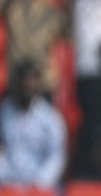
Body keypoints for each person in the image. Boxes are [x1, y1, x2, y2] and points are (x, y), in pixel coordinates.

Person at [0, 58, 65, 188]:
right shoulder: (3, 113)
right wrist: (6, 180)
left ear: (39, 83)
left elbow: (56, 155)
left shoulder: (50, 118)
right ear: (16, 82)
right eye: (24, 79)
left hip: (41, 186)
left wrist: (41, 182)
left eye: (32, 79)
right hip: (7, 184)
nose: (27, 84)